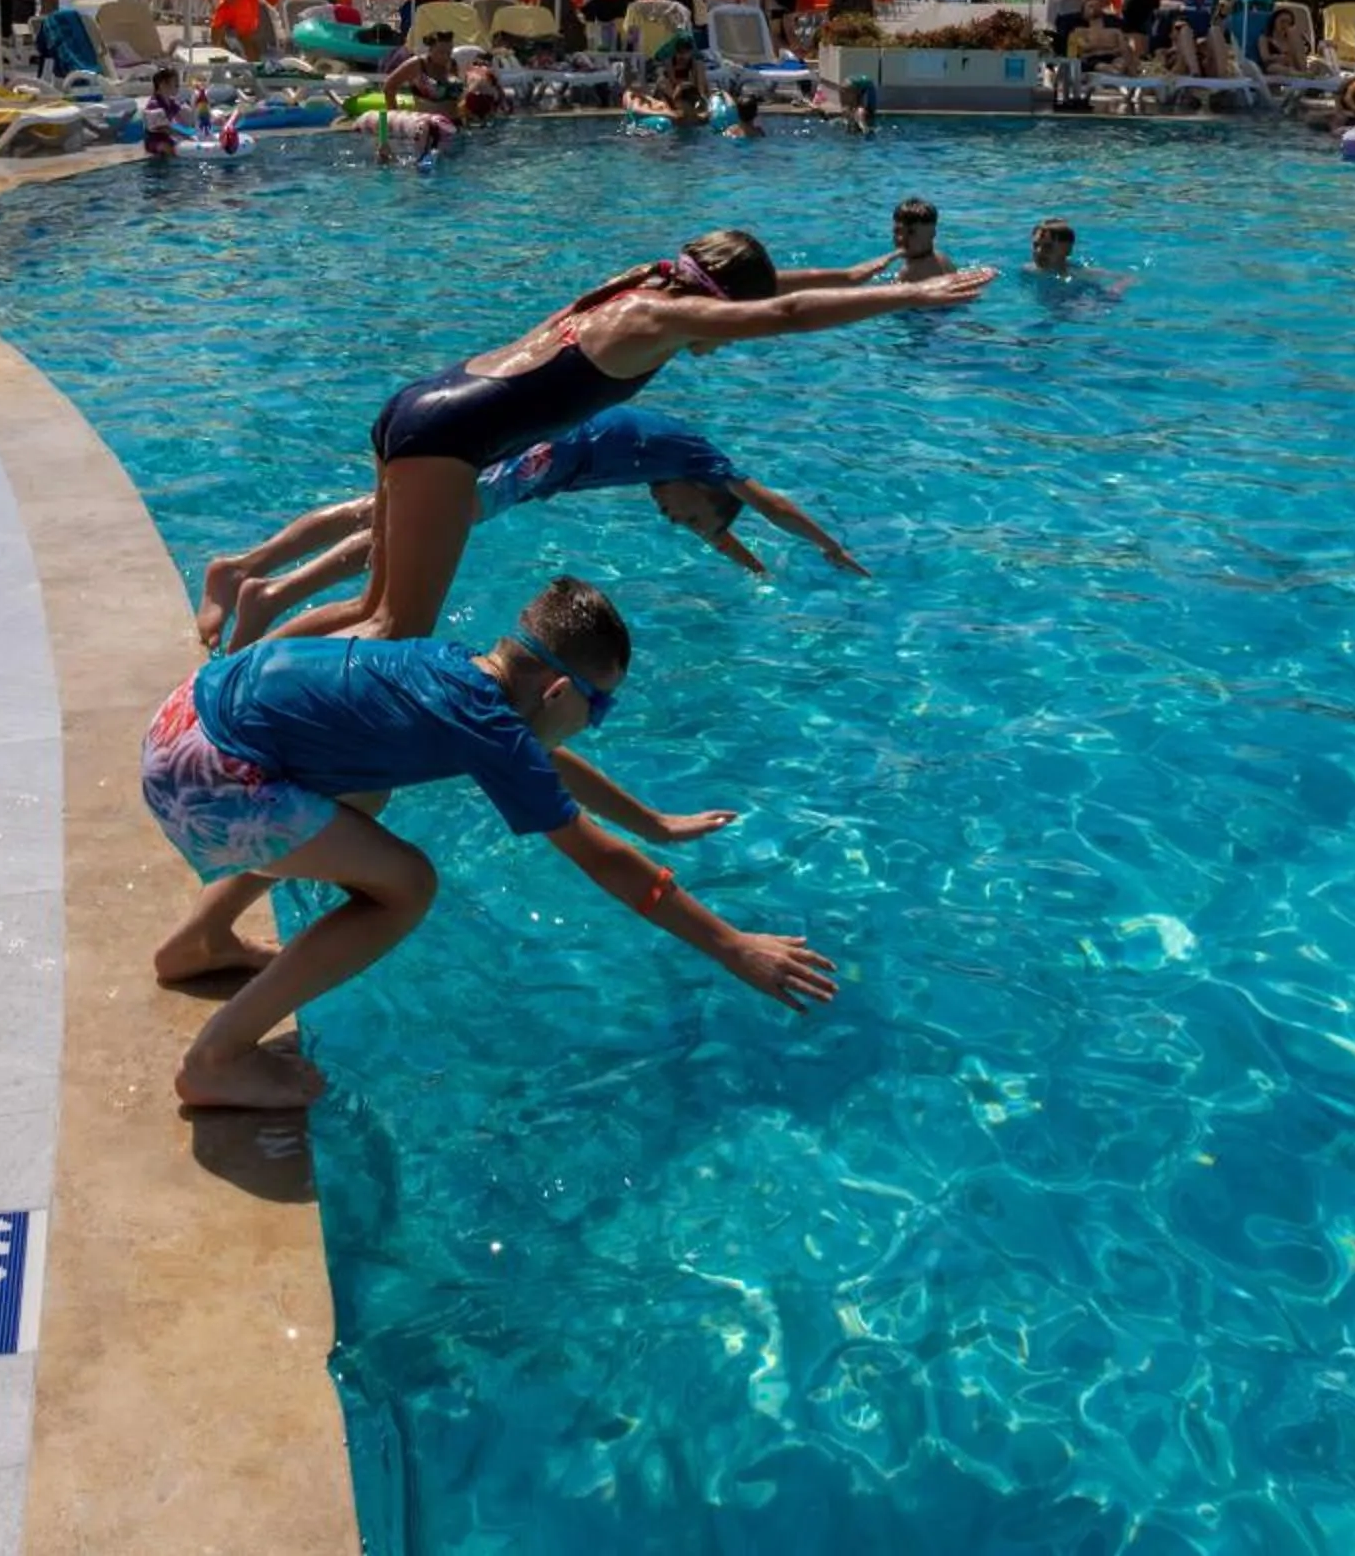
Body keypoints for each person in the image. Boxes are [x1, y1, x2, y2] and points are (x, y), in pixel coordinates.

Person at [144, 573, 835, 1111]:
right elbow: (605, 862)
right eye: (599, 707)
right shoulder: (492, 728)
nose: (595, 723)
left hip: (182, 722)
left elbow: (542, 760)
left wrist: (653, 823)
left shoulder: (458, 670)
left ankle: (201, 942)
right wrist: (731, 945)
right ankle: (216, 1060)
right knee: (407, 887)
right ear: (558, 691)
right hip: (209, 783)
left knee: (364, 798)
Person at [269, 228, 994, 647]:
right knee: (397, 628)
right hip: (448, 440)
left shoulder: (645, 285)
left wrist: (850, 274)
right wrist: (910, 293)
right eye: (730, 324)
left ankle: (232, 678)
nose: (727, 341)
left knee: (370, 609)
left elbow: (776, 293)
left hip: (422, 406)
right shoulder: (660, 319)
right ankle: (244, 713)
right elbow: (786, 313)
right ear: (722, 303)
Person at [199, 405, 867, 649]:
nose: (671, 517)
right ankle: (270, 594)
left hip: (534, 452)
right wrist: (829, 546)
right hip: (536, 460)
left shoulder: (686, 471)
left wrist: (754, 569)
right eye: (684, 513)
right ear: (706, 487)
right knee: (412, 526)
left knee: (381, 511)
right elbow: (770, 504)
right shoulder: (703, 460)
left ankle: (244, 571)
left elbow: (716, 530)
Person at [847, 196, 958, 284]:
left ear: (932, 233)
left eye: (911, 232)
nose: (901, 238)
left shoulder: (909, 272)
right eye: (897, 231)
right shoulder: (942, 258)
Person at [382, 26, 462, 116]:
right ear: (430, 49)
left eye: (449, 52)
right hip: (425, 121)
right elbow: (389, 87)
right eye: (441, 52)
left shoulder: (452, 64)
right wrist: (394, 115)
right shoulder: (417, 64)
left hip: (453, 121)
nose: (446, 57)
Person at [141, 66, 195, 159]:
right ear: (163, 84)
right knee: (168, 148)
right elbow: (165, 129)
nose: (178, 87)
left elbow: (188, 117)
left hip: (167, 138)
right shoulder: (154, 105)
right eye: (175, 84)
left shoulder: (171, 102)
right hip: (155, 142)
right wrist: (186, 135)